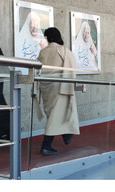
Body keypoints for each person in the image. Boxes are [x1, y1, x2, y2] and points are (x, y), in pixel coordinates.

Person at [37, 27, 80, 155]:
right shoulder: (64, 51)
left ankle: (66, 134)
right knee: (61, 114)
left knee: (53, 115)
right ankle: (50, 143)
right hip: (61, 87)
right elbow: (72, 69)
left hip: (46, 89)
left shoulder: (43, 52)